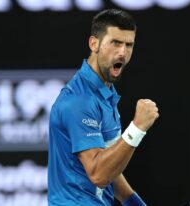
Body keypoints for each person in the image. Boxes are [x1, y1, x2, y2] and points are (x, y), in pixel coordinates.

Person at [47, 8, 159, 206]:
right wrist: (137, 128)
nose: (123, 52)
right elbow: (99, 174)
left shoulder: (104, 96)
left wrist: (135, 203)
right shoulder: (80, 101)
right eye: (115, 43)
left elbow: (110, 167)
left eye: (129, 45)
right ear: (94, 44)